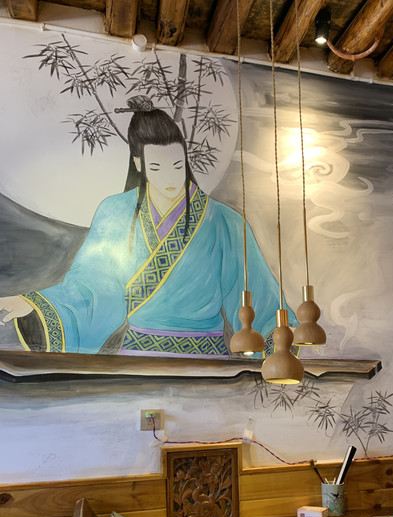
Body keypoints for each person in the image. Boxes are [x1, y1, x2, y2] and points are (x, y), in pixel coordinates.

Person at [0, 106, 291, 357]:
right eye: (157, 166)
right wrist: (34, 303)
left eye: (177, 165)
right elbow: (92, 286)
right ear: (139, 164)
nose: (170, 178)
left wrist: (278, 346)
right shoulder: (115, 212)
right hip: (138, 356)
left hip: (206, 359)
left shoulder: (224, 221)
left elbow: (258, 295)